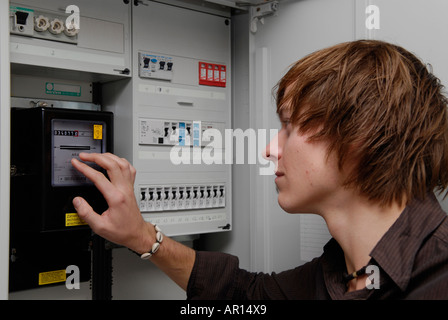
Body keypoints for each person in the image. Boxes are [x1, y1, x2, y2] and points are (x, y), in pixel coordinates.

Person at [71, 40, 448, 299]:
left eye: (288, 127)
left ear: (358, 136)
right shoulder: (338, 273)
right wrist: (140, 236)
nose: (269, 150)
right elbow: (245, 295)